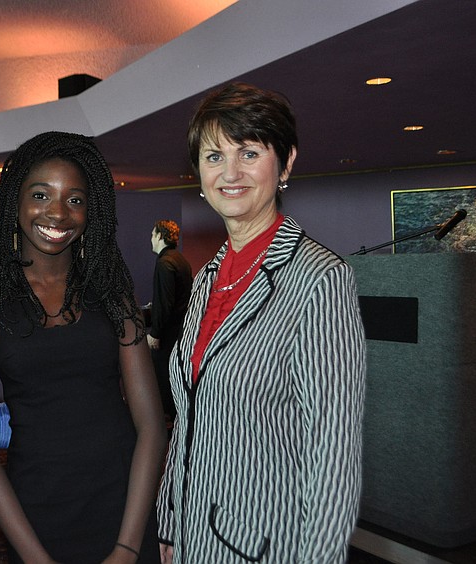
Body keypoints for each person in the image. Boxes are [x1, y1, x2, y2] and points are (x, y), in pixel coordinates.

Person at [156, 82, 366, 563]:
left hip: (263, 546)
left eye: (248, 153)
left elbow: (334, 455)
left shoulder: (319, 280)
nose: (230, 173)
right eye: (214, 156)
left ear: (286, 162)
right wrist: (170, 522)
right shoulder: (207, 278)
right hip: (191, 536)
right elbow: (188, 420)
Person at [0, 131, 166, 563]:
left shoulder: (114, 298)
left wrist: (128, 547)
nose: (57, 212)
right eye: (41, 195)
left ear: (91, 212)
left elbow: (151, 425)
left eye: (75, 199)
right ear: (15, 202)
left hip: (122, 507)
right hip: (35, 517)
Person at [146, 220, 192, 421]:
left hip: (168, 334)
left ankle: (169, 421)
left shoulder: (164, 263)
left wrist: (155, 334)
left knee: (163, 377)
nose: (150, 239)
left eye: (152, 234)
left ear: (160, 236)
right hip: (180, 331)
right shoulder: (180, 260)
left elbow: (165, 303)